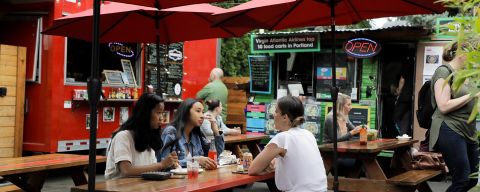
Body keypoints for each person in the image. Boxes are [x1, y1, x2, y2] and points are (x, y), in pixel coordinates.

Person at [248, 96, 327, 192]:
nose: (273, 114)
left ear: (285, 117)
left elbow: (252, 169)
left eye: (276, 111)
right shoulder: (308, 134)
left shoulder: (283, 138)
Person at [430, 41, 480, 192]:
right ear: (462, 54)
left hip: (469, 131)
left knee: (472, 180)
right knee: (462, 178)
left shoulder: (467, 76)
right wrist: (473, 95)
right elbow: (443, 106)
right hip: (449, 128)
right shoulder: (444, 72)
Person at [105, 93, 179, 180]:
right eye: (158, 113)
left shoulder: (148, 138)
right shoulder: (123, 137)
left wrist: (168, 166)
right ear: (145, 113)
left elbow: (150, 170)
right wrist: (161, 164)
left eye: (162, 113)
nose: (161, 118)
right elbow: (126, 170)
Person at [158, 98, 225, 170]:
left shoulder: (196, 134)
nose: (202, 116)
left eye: (203, 112)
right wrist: (195, 160)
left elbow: (214, 155)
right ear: (186, 113)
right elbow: (163, 163)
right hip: (173, 180)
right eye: (198, 111)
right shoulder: (171, 132)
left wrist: (216, 131)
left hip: (194, 179)